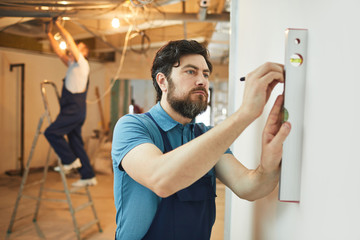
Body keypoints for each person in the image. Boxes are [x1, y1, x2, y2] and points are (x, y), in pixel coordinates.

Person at [111, 40, 291, 239]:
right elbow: (161, 180)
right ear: (162, 81)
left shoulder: (205, 135)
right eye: (191, 72)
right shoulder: (132, 127)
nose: (202, 81)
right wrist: (245, 114)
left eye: (205, 74)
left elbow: (248, 187)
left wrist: (268, 165)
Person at [44, 18, 97, 187]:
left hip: (73, 108)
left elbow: (69, 42)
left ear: (84, 54)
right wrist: (48, 33)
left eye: (79, 48)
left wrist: (58, 24)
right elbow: (60, 52)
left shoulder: (82, 64)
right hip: (73, 109)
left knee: (51, 132)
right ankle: (88, 175)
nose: (73, 49)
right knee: (76, 142)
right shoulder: (72, 66)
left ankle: (70, 161)